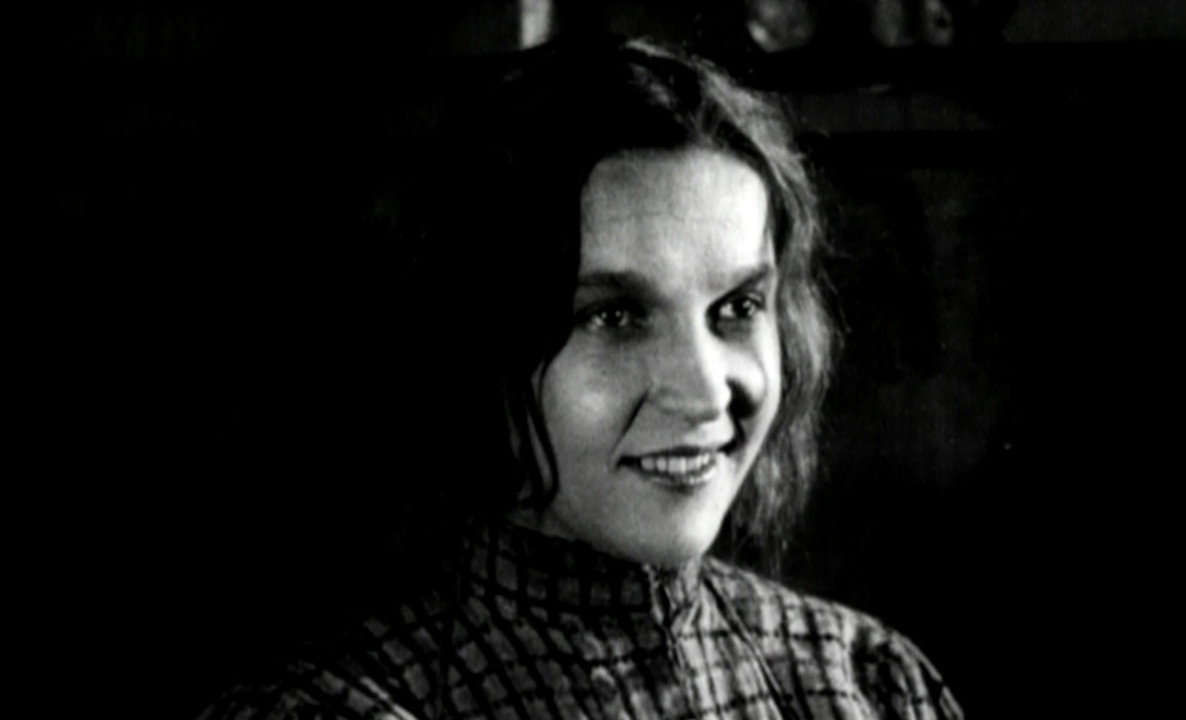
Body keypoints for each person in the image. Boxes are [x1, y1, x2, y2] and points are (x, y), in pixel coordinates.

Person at [199, 37, 962, 720]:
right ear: (478, 342)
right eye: (615, 316)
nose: (705, 394)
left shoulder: (865, 684)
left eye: (737, 307)